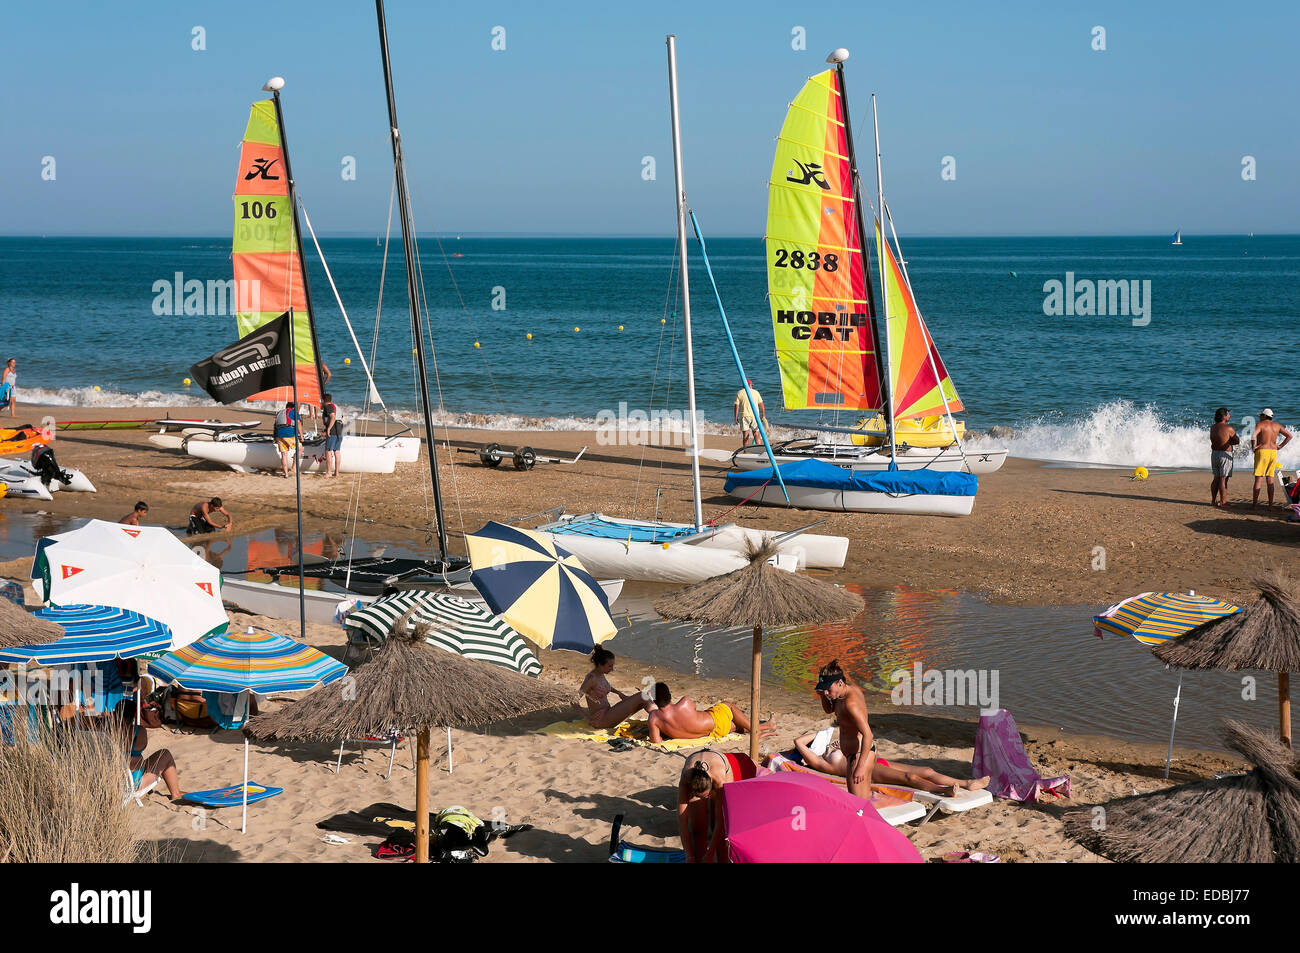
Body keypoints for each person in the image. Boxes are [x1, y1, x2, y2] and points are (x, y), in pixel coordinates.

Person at [792, 728, 990, 797]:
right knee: (909, 777)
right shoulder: (821, 762)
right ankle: (941, 790)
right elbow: (798, 742)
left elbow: (865, 742)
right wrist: (818, 737)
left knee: (927, 769)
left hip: (875, 762)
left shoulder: (835, 748)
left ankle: (967, 783)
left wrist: (833, 742)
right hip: (867, 771)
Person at [677, 749, 759, 863]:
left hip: (721, 765)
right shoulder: (686, 782)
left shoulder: (720, 781)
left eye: (707, 795)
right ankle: (700, 859)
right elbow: (682, 823)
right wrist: (689, 856)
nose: (705, 799)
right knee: (698, 827)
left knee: (720, 827)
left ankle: (722, 859)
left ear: (711, 787)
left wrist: (710, 853)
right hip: (696, 768)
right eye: (700, 797)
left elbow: (720, 823)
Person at [813, 659, 874, 798]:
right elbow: (830, 709)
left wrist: (860, 766)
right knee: (861, 803)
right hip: (853, 755)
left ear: (840, 682)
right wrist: (822, 695)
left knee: (859, 806)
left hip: (859, 755)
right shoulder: (841, 695)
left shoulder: (851, 704)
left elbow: (868, 735)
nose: (827, 693)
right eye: (824, 689)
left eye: (829, 689)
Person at [647, 682, 776, 743]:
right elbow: (694, 709)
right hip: (715, 722)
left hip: (714, 733)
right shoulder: (684, 703)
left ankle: (764, 726)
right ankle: (761, 728)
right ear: (669, 695)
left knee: (735, 726)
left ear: (654, 700)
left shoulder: (654, 718)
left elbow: (656, 740)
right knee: (727, 705)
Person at [117, 699, 183, 801]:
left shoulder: (104, 731)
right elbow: (143, 746)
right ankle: (176, 793)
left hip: (114, 780)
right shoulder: (139, 731)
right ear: (134, 715)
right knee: (165, 754)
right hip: (133, 783)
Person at [578, 647, 650, 730]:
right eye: (609, 666)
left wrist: (619, 693)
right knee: (642, 696)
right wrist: (588, 719)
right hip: (600, 720)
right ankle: (660, 719)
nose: (612, 669)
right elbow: (573, 701)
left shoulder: (600, 674)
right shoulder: (591, 679)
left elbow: (604, 686)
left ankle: (660, 719)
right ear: (600, 665)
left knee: (644, 698)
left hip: (608, 712)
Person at [1252, 408, 1293, 508]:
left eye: (1261, 415)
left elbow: (1253, 436)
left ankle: (1254, 505)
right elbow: (1289, 436)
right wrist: (1280, 446)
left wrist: (1253, 447)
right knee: (1270, 479)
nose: (1260, 417)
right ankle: (1270, 506)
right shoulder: (1277, 425)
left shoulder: (1260, 424)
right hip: (1273, 452)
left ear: (1264, 416)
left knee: (1258, 479)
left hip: (1262, 452)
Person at [1210, 407, 1239, 508]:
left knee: (1216, 478)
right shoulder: (1228, 428)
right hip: (1224, 455)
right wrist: (1230, 442)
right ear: (1224, 416)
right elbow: (1237, 440)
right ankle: (1223, 502)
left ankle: (1213, 501)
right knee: (1223, 479)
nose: (1229, 416)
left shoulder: (1213, 427)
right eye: (1228, 414)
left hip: (1214, 454)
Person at [733, 380, 766, 448]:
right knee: (756, 434)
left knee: (745, 435)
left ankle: (745, 451)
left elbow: (736, 406)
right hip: (755, 416)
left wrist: (735, 418)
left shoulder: (739, 393)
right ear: (750, 385)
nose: (752, 386)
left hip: (744, 416)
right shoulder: (756, 392)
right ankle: (759, 449)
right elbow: (762, 406)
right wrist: (763, 415)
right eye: (752, 385)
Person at [274, 401, 301, 479]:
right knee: (300, 449)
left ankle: (286, 474)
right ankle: (293, 468)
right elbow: (298, 423)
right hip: (289, 434)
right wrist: (301, 436)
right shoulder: (293, 412)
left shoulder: (279, 413)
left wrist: (275, 438)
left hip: (279, 435)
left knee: (284, 454)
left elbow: (275, 426)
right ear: (293, 408)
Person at [322, 392, 343, 478]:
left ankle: (329, 472)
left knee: (328, 451)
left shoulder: (328, 407)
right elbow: (342, 418)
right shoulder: (337, 407)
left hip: (333, 430)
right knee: (337, 451)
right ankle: (337, 473)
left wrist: (328, 429)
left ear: (323, 401)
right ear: (331, 400)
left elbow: (333, 417)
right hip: (339, 430)